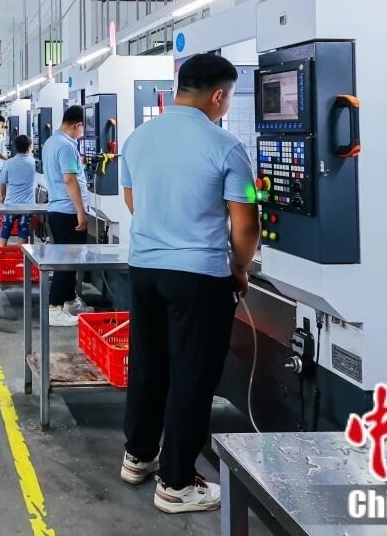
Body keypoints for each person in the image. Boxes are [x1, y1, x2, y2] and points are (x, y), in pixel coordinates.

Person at [118, 53, 259, 516]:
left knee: (148, 364)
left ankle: (138, 455)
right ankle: (176, 482)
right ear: (218, 95)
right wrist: (240, 267)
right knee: (191, 376)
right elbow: (246, 224)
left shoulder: (138, 139)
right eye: (229, 96)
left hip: (145, 270)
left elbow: (134, 199)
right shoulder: (226, 146)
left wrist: (164, 230)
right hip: (199, 276)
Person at [41, 105, 92, 327]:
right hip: (68, 212)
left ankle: (70, 300)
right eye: (83, 129)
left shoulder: (51, 142)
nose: (83, 133)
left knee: (69, 259)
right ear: (78, 125)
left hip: (57, 210)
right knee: (66, 262)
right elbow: (70, 179)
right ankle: (54, 307)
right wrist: (81, 211)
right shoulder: (66, 146)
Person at [0, 134, 36, 243]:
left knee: (5, 229)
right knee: (23, 230)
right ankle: (22, 253)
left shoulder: (8, 163)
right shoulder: (33, 163)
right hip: (27, 206)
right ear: (29, 147)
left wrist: (1, 199)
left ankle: (2, 250)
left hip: (10, 205)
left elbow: (2, 184)